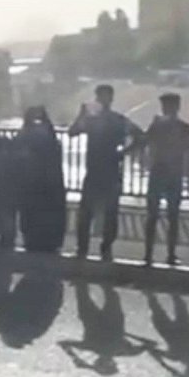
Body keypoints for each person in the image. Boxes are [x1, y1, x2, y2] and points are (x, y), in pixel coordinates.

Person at [68, 84, 144, 261]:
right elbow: (141, 137)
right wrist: (124, 152)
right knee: (105, 212)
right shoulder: (117, 120)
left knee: (89, 212)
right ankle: (103, 249)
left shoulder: (95, 120)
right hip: (108, 170)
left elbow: (72, 132)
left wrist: (81, 115)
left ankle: (85, 249)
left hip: (98, 171)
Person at [143, 93, 189, 266]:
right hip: (173, 173)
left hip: (159, 172)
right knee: (172, 216)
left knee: (154, 215)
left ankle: (149, 254)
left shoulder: (157, 126)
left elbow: (145, 142)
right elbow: (187, 148)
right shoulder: (185, 127)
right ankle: (169, 254)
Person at [14, 106, 67, 253]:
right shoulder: (49, 136)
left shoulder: (25, 135)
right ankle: (48, 241)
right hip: (47, 183)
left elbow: (18, 154)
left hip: (33, 181)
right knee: (46, 213)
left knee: (32, 212)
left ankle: (33, 240)